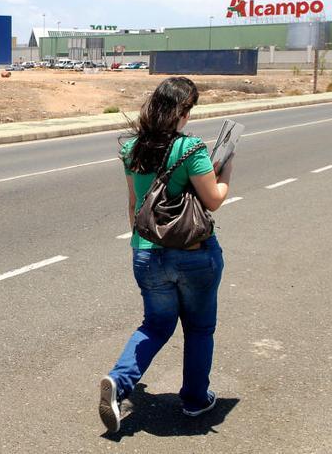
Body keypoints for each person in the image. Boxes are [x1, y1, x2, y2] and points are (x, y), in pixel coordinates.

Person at [99, 77, 233, 433]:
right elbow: (214, 199)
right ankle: (194, 399)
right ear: (183, 111)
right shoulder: (191, 149)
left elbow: (134, 204)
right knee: (200, 328)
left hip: (146, 253)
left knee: (156, 325)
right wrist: (228, 168)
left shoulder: (132, 148)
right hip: (193, 253)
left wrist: (143, 245)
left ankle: (119, 380)